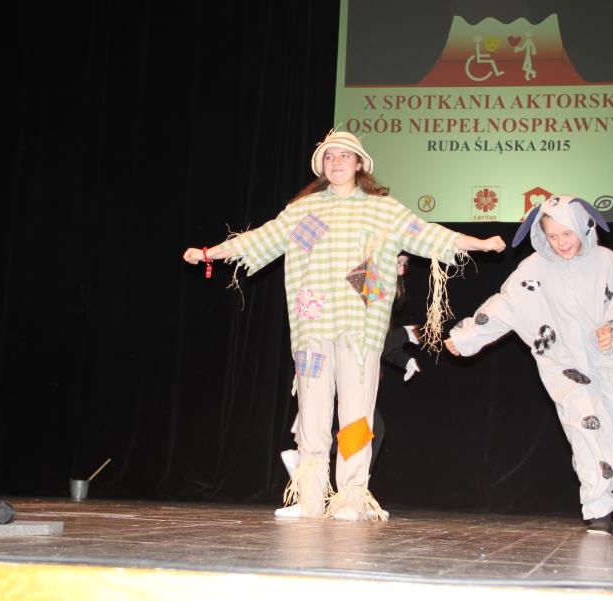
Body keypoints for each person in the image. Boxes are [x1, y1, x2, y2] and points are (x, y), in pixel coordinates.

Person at [183, 129, 505, 521]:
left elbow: (426, 234)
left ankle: (351, 499)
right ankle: (310, 498)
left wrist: (480, 243)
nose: (336, 162)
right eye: (329, 157)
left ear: (359, 164)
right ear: (322, 166)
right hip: (312, 326)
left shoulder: (381, 210)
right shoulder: (305, 211)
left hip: (360, 328)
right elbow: (261, 239)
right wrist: (210, 253)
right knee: (312, 414)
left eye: (344, 156)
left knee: (355, 415)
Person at [444, 195, 613, 535]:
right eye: (552, 236)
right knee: (585, 421)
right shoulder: (534, 268)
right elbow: (505, 306)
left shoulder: (608, 262)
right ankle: (598, 507)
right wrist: (466, 337)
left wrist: (612, 328)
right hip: (562, 363)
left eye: (567, 234)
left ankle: (590, 460)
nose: (560, 243)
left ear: (582, 227)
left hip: (608, 359)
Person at [274, 252, 422, 518]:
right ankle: (315, 493)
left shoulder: (379, 288)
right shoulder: (359, 272)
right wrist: (403, 335)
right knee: (344, 426)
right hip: (329, 365)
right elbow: (351, 333)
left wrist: (405, 359)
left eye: (404, 266)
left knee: (366, 428)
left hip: (348, 369)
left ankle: (350, 498)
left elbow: (376, 341)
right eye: (398, 263)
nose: (401, 271)